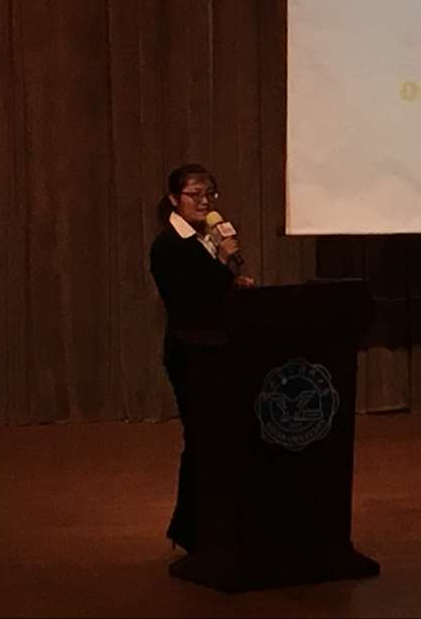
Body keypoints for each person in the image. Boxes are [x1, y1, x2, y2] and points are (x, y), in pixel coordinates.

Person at [149, 163, 254, 553]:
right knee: (201, 440)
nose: (205, 202)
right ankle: (190, 530)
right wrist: (224, 263)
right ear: (174, 199)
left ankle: (213, 526)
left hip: (218, 350)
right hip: (191, 353)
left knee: (217, 440)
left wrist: (233, 279)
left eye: (210, 194)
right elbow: (190, 298)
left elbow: (215, 290)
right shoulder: (168, 245)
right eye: (195, 195)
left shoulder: (204, 240)